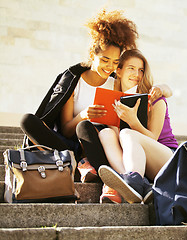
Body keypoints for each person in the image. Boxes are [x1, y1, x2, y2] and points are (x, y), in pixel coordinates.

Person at [19, 10, 171, 200]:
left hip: (102, 143)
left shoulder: (116, 82)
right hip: (73, 143)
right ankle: (80, 162)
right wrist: (83, 114)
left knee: (95, 130)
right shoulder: (74, 82)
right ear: (92, 55)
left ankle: (110, 177)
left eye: (115, 62)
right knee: (29, 121)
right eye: (105, 60)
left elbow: (145, 88)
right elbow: (66, 130)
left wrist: (163, 88)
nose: (109, 67)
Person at [97, 49, 178, 204]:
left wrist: (133, 120)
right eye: (131, 68)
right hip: (141, 164)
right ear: (119, 71)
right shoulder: (113, 101)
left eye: (141, 70)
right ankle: (135, 183)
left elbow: (153, 138)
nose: (137, 74)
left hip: (167, 159)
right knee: (106, 134)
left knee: (128, 134)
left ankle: (134, 180)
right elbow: (119, 142)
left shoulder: (155, 98)